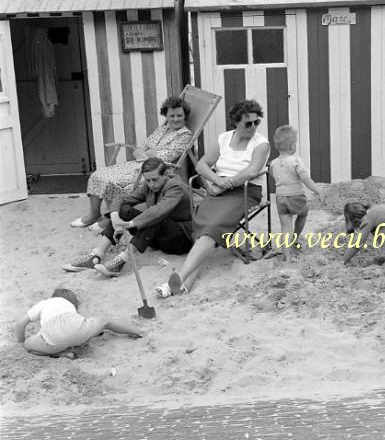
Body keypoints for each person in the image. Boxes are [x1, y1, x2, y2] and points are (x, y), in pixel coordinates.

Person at [155, 99, 270, 298]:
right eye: (248, 123)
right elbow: (202, 165)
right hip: (219, 188)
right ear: (236, 122)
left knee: (211, 227)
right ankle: (186, 282)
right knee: (204, 227)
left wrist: (226, 185)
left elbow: (252, 172)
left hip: (244, 190)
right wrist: (216, 181)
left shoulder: (261, 144)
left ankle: (179, 278)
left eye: (256, 122)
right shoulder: (224, 139)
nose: (253, 127)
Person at [71, 96, 193, 228]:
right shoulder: (162, 129)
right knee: (97, 175)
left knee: (114, 181)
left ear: (185, 116)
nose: (175, 119)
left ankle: (111, 219)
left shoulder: (184, 135)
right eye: (172, 115)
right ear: (166, 115)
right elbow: (139, 148)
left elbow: (163, 158)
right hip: (138, 164)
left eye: (179, 115)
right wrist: (149, 152)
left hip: (155, 171)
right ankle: (94, 215)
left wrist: (147, 153)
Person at [63, 158, 193, 277]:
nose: (151, 184)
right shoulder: (149, 186)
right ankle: (96, 255)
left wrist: (129, 224)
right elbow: (122, 199)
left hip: (180, 239)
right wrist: (115, 218)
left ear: (165, 175)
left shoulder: (175, 186)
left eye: (155, 180)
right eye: (147, 180)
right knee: (124, 210)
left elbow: (158, 211)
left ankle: (122, 260)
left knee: (155, 218)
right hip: (159, 236)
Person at [15, 288, 142, 358]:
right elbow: (98, 323)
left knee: (28, 346)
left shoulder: (45, 303)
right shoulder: (70, 307)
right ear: (74, 303)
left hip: (53, 338)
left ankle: (61, 353)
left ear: (53, 297)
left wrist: (21, 342)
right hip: (77, 330)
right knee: (105, 321)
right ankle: (136, 331)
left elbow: (20, 324)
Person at [266, 125, 325, 259]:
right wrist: (318, 190)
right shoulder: (296, 161)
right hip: (296, 196)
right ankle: (295, 238)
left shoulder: (273, 163)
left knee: (285, 226)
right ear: (292, 146)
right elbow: (305, 179)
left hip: (280, 198)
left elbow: (274, 176)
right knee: (303, 213)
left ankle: (287, 255)